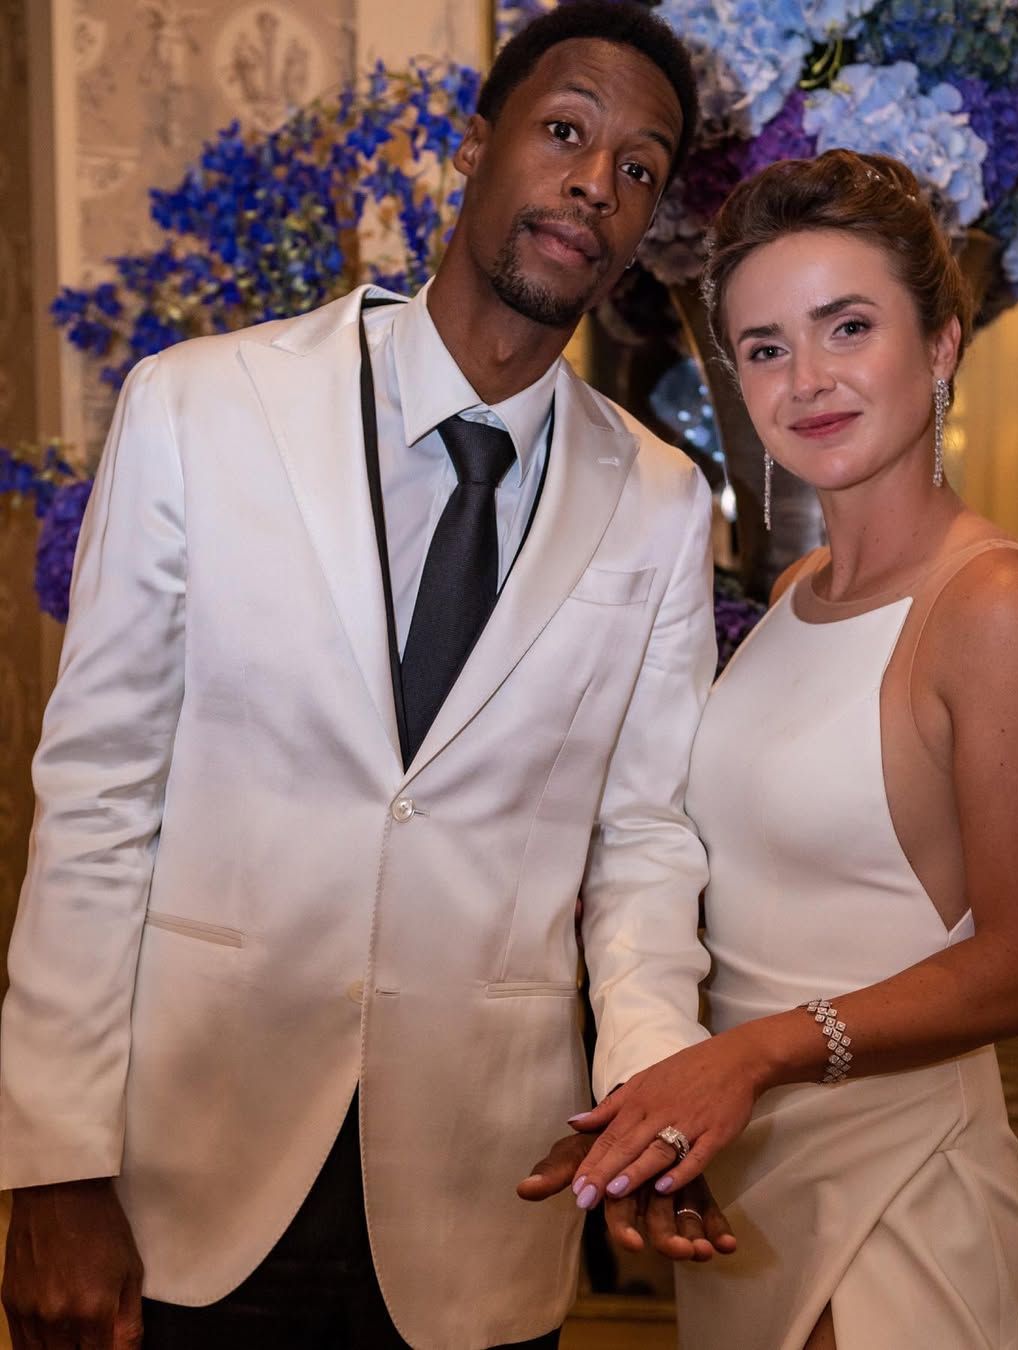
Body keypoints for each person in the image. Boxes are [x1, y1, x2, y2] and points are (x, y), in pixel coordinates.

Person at [0, 7, 732, 1348]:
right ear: (474, 147)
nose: (596, 181)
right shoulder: (199, 407)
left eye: (639, 166)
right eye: (565, 130)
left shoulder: (664, 501)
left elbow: (642, 843)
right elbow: (100, 798)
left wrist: (647, 1086)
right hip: (188, 1177)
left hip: (482, 1201)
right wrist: (52, 1161)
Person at [557, 150, 1018, 1349]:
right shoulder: (798, 588)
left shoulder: (997, 604)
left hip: (895, 1184)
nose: (808, 380)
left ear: (940, 345)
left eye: (849, 327)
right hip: (745, 1166)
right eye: (766, 346)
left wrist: (750, 1057)